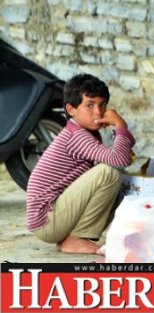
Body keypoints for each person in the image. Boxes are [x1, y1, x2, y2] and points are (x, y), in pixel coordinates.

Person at [26, 73, 135, 254]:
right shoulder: (77, 136)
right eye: (90, 105)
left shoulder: (82, 132)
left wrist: (121, 132)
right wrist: (120, 126)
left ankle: (71, 238)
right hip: (47, 219)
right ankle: (77, 238)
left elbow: (123, 154)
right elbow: (119, 160)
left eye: (103, 105)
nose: (98, 112)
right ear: (71, 110)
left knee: (119, 185)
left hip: (54, 216)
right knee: (108, 173)